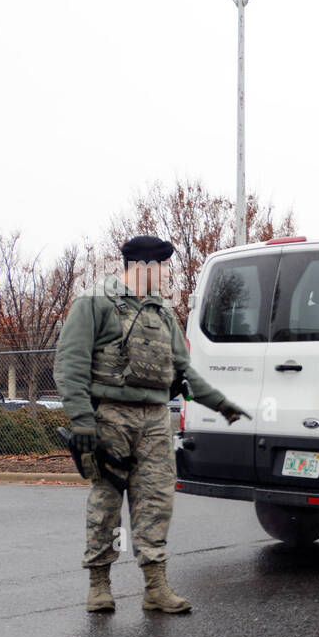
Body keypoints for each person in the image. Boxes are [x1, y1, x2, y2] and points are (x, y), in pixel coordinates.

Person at [54, 235, 250, 614]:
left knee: (156, 501)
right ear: (143, 268)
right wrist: (82, 423)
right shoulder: (93, 303)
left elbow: (185, 370)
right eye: (162, 267)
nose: (166, 274)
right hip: (110, 415)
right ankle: (99, 584)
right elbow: (70, 366)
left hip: (157, 420)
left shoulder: (160, 312)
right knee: (106, 502)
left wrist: (222, 404)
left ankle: (155, 587)